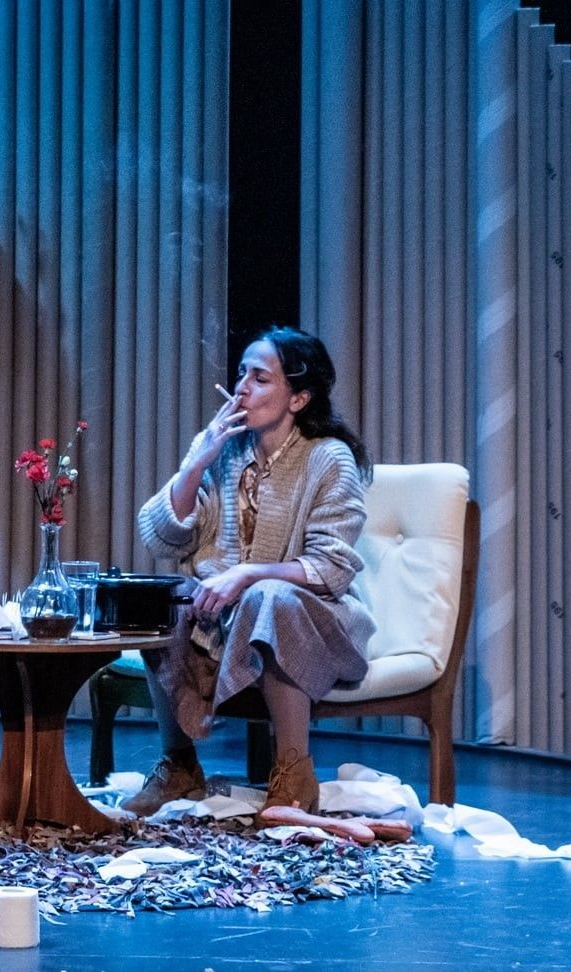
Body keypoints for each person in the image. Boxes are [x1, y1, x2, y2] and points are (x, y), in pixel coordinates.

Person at [124, 327, 374, 821]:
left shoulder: (329, 458)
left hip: (316, 619)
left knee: (269, 597)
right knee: (162, 596)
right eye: (241, 374)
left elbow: (332, 567)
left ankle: (293, 772)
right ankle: (179, 766)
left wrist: (247, 575)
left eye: (260, 378)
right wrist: (198, 462)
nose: (241, 388)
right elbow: (160, 538)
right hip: (225, 618)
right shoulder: (223, 448)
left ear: (298, 397)